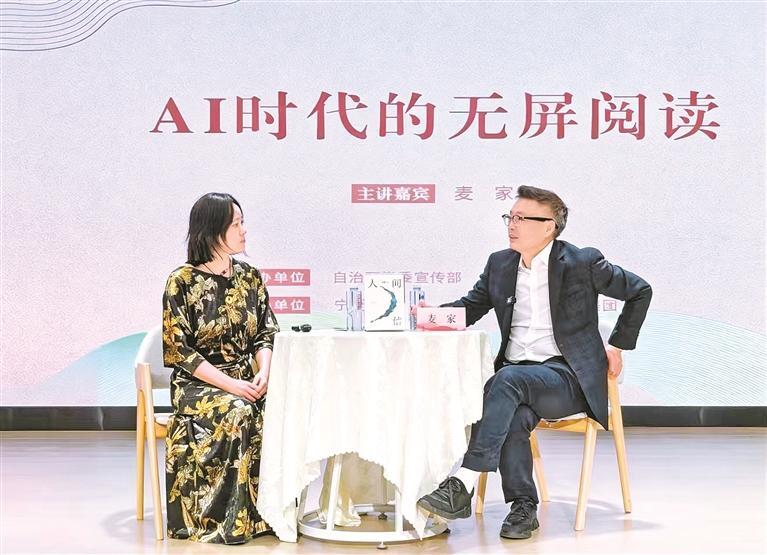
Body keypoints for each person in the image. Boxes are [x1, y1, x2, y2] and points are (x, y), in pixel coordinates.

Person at [417, 185, 652, 540]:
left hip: (566, 378)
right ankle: (523, 508)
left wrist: (618, 345)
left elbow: (640, 290)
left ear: (549, 227)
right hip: (517, 380)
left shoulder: (582, 262)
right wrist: (428, 316)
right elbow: (470, 308)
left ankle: (462, 482)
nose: (512, 225)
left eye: (521, 218)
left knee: (506, 381)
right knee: (512, 410)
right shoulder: (500, 264)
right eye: (510, 217)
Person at [162, 192, 279, 543]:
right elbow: (179, 350)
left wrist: (263, 372)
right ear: (213, 230)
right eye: (236, 224)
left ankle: (273, 513)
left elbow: (265, 332)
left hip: (246, 377)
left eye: (243, 222)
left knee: (283, 405)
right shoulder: (181, 282)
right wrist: (232, 385)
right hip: (198, 385)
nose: (244, 230)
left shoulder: (250, 277)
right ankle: (228, 519)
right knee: (240, 410)